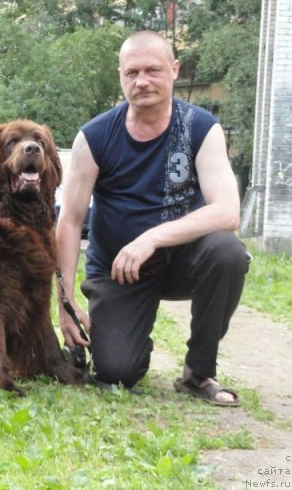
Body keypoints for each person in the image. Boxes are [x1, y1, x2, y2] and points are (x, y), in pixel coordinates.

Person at [55, 31, 250, 406]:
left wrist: (152, 238)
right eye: (132, 73)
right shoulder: (94, 137)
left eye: (153, 70)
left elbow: (227, 211)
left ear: (174, 70)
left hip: (182, 261)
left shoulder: (201, 127)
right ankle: (125, 337)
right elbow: (70, 220)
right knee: (116, 373)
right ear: (121, 76)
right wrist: (65, 302)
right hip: (118, 270)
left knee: (227, 252)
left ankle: (198, 372)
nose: (142, 81)